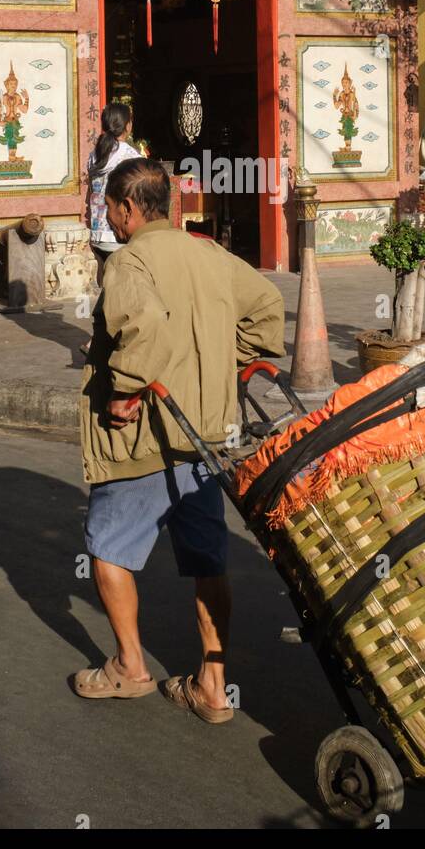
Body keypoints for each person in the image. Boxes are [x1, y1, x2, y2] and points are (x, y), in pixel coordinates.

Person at [75, 158, 285, 723]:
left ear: (126, 208)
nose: (111, 220)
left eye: (112, 210)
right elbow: (266, 309)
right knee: (207, 560)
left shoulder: (128, 261)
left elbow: (141, 326)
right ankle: (213, 688)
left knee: (106, 548)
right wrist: (227, 362)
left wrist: (124, 389)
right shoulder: (209, 253)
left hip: (147, 436)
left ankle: (129, 667)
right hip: (208, 436)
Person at [87, 103, 140, 285]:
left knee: (106, 288)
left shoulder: (95, 154)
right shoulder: (132, 156)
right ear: (127, 125)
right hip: (119, 233)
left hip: (97, 232)